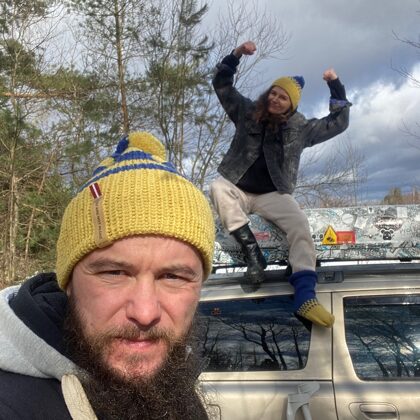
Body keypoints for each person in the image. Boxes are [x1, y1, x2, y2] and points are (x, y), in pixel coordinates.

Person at [0, 131, 215, 419]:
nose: (145, 313)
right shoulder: (12, 404)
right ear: (68, 284)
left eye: (173, 277)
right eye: (114, 272)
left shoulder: (173, 377)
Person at [210, 41, 351, 328]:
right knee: (218, 187)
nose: (275, 99)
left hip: (273, 193)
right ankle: (253, 256)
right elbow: (222, 84)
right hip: (239, 187)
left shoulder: (300, 129)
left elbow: (338, 123)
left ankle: (305, 296)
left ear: (291, 105)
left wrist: (335, 86)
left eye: (283, 97)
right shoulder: (247, 111)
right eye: (273, 93)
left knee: (299, 224)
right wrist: (236, 55)